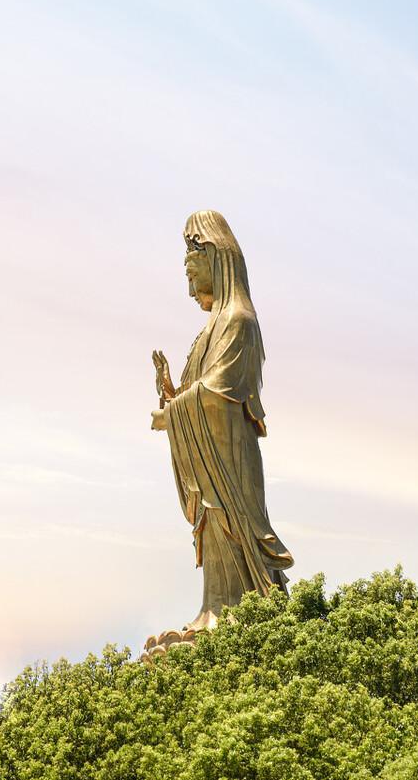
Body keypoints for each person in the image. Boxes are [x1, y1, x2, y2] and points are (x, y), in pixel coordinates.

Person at [150, 210, 293, 632]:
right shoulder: (211, 328)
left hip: (230, 460)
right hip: (208, 458)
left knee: (231, 526)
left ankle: (234, 610)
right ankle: (214, 607)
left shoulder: (238, 320)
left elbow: (218, 391)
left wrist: (172, 414)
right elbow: (199, 389)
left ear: (214, 257)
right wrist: (172, 393)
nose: (190, 286)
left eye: (192, 271)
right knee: (212, 526)